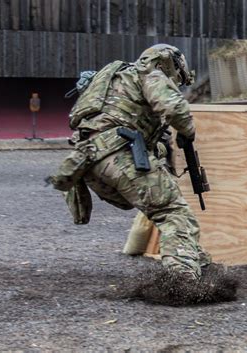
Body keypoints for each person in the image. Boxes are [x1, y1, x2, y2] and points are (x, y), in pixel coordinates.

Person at [48, 44, 211, 280]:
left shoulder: (112, 80)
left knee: (155, 204)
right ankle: (182, 280)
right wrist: (187, 130)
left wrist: (162, 147)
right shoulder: (149, 74)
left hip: (87, 162)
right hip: (118, 155)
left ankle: (199, 262)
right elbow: (174, 107)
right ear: (167, 63)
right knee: (172, 211)